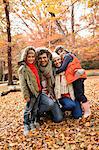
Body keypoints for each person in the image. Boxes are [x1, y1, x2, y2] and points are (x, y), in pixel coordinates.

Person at [18, 46, 55, 136]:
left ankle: (32, 122)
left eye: (33, 57)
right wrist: (26, 95)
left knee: (34, 110)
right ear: (25, 57)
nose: (31, 58)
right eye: (29, 57)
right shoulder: (23, 69)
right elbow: (23, 84)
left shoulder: (36, 66)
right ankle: (26, 125)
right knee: (28, 109)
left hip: (38, 92)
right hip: (31, 93)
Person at [54, 45, 91, 118]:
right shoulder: (70, 57)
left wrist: (55, 72)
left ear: (62, 51)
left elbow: (63, 68)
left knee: (80, 95)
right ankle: (83, 108)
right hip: (76, 78)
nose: (60, 56)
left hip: (77, 77)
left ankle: (87, 111)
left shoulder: (67, 56)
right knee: (78, 94)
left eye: (60, 53)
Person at [52, 52, 82, 119]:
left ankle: (74, 106)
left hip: (72, 94)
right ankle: (61, 109)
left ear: (62, 60)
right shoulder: (54, 73)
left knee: (78, 115)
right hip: (63, 96)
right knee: (71, 105)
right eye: (54, 61)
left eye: (58, 59)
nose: (57, 62)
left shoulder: (68, 69)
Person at [37, 47, 64, 123]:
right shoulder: (36, 69)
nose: (42, 60)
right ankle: (37, 113)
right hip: (41, 95)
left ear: (48, 57)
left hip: (51, 94)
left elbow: (64, 65)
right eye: (40, 58)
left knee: (58, 118)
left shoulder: (52, 67)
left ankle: (48, 112)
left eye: (44, 57)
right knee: (50, 103)